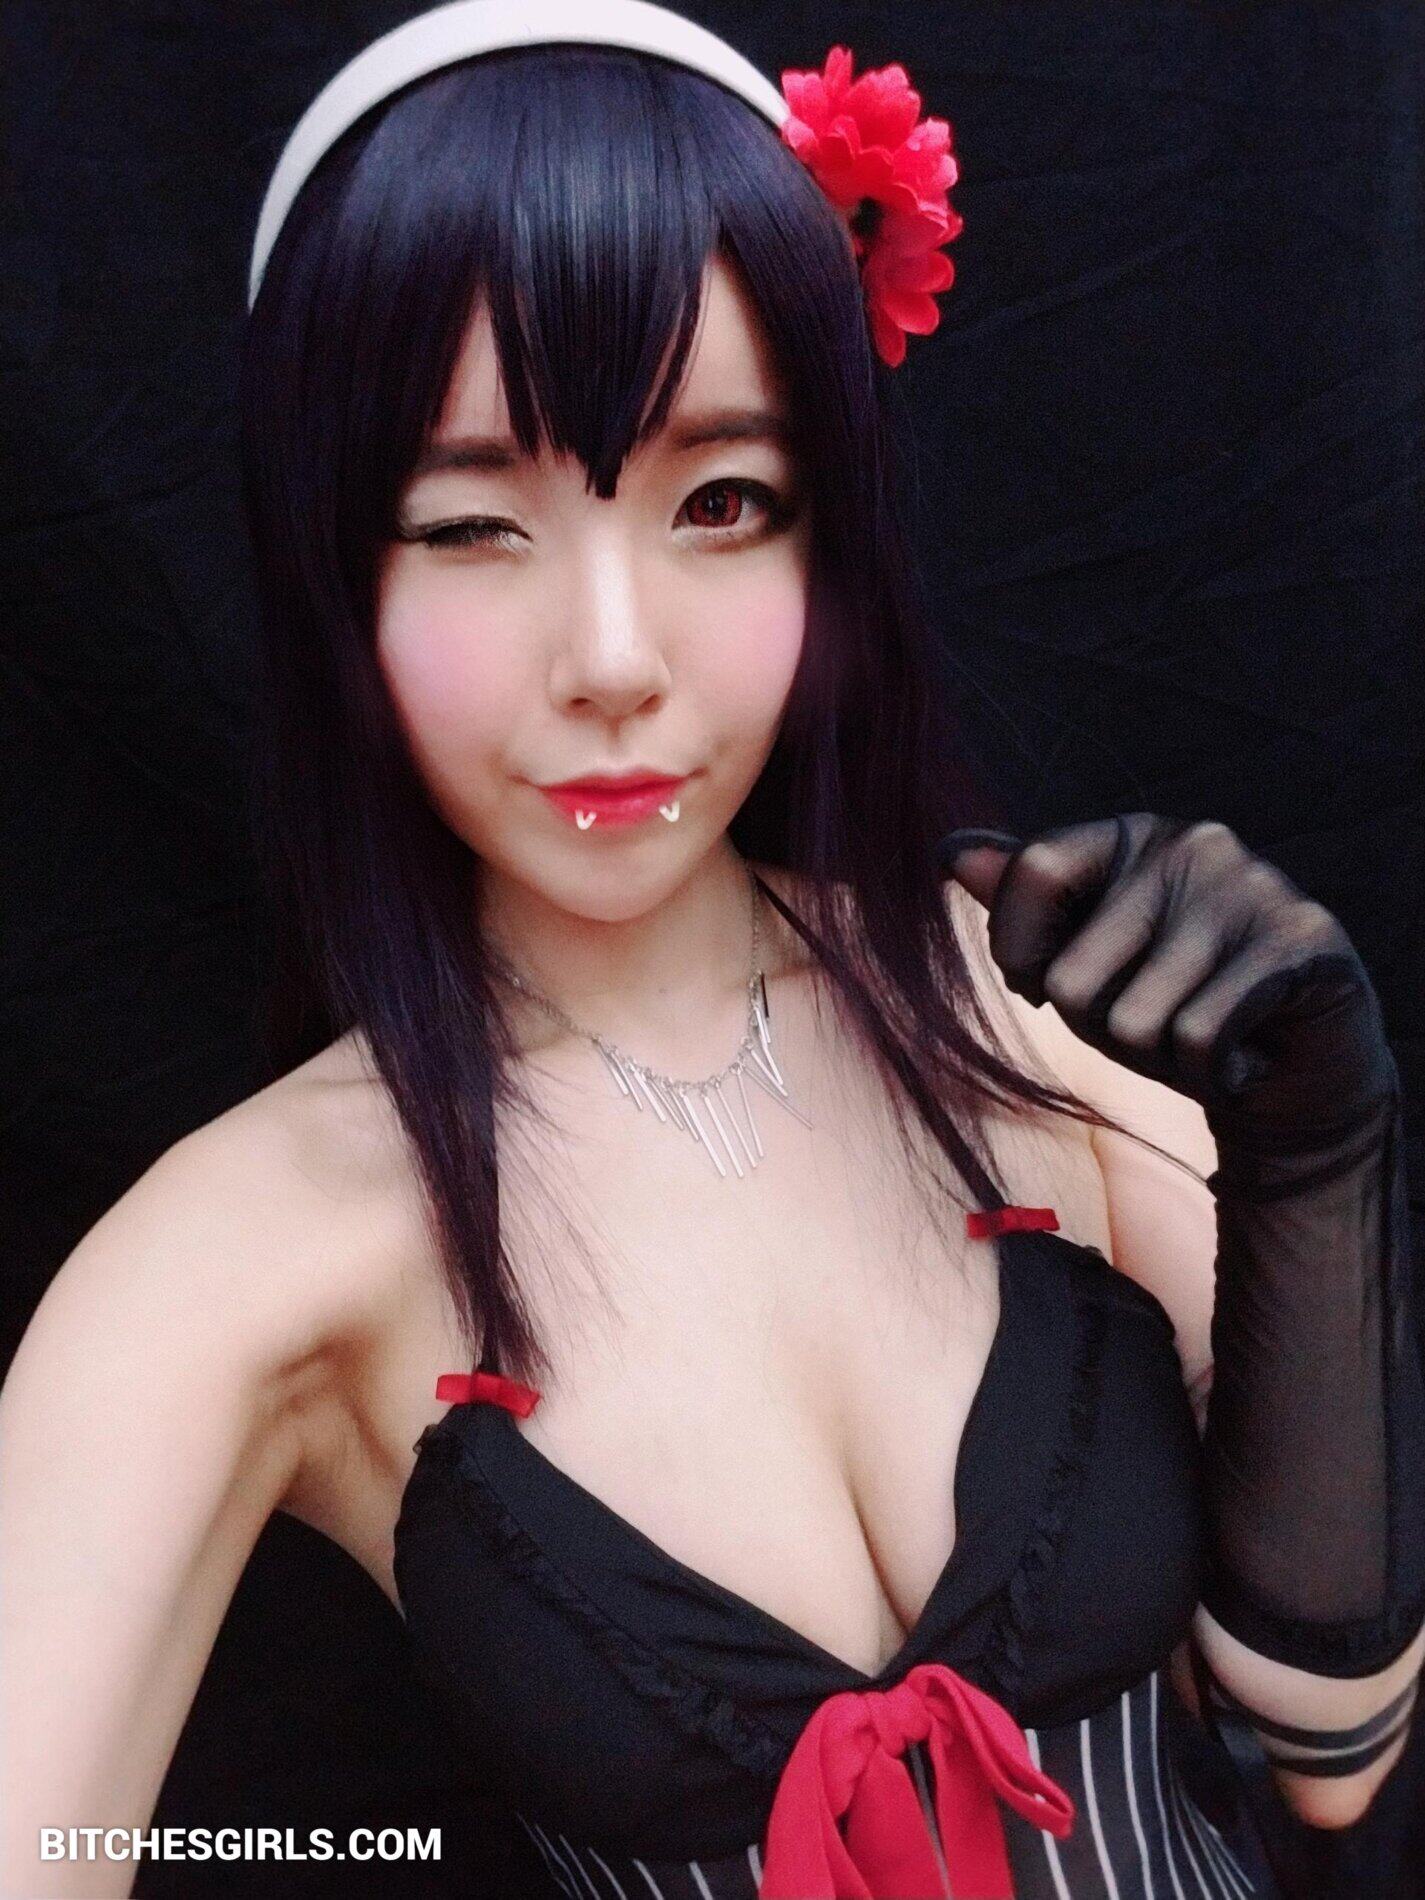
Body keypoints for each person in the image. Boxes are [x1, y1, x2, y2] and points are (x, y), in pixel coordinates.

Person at [4, 4, 1424, 1896]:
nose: (613, 656)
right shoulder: (236, 1260)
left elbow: (1331, 1748)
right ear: (336, 572)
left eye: (721, 503)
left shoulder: (1020, 1018)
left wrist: (1317, 1157)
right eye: (470, 523)